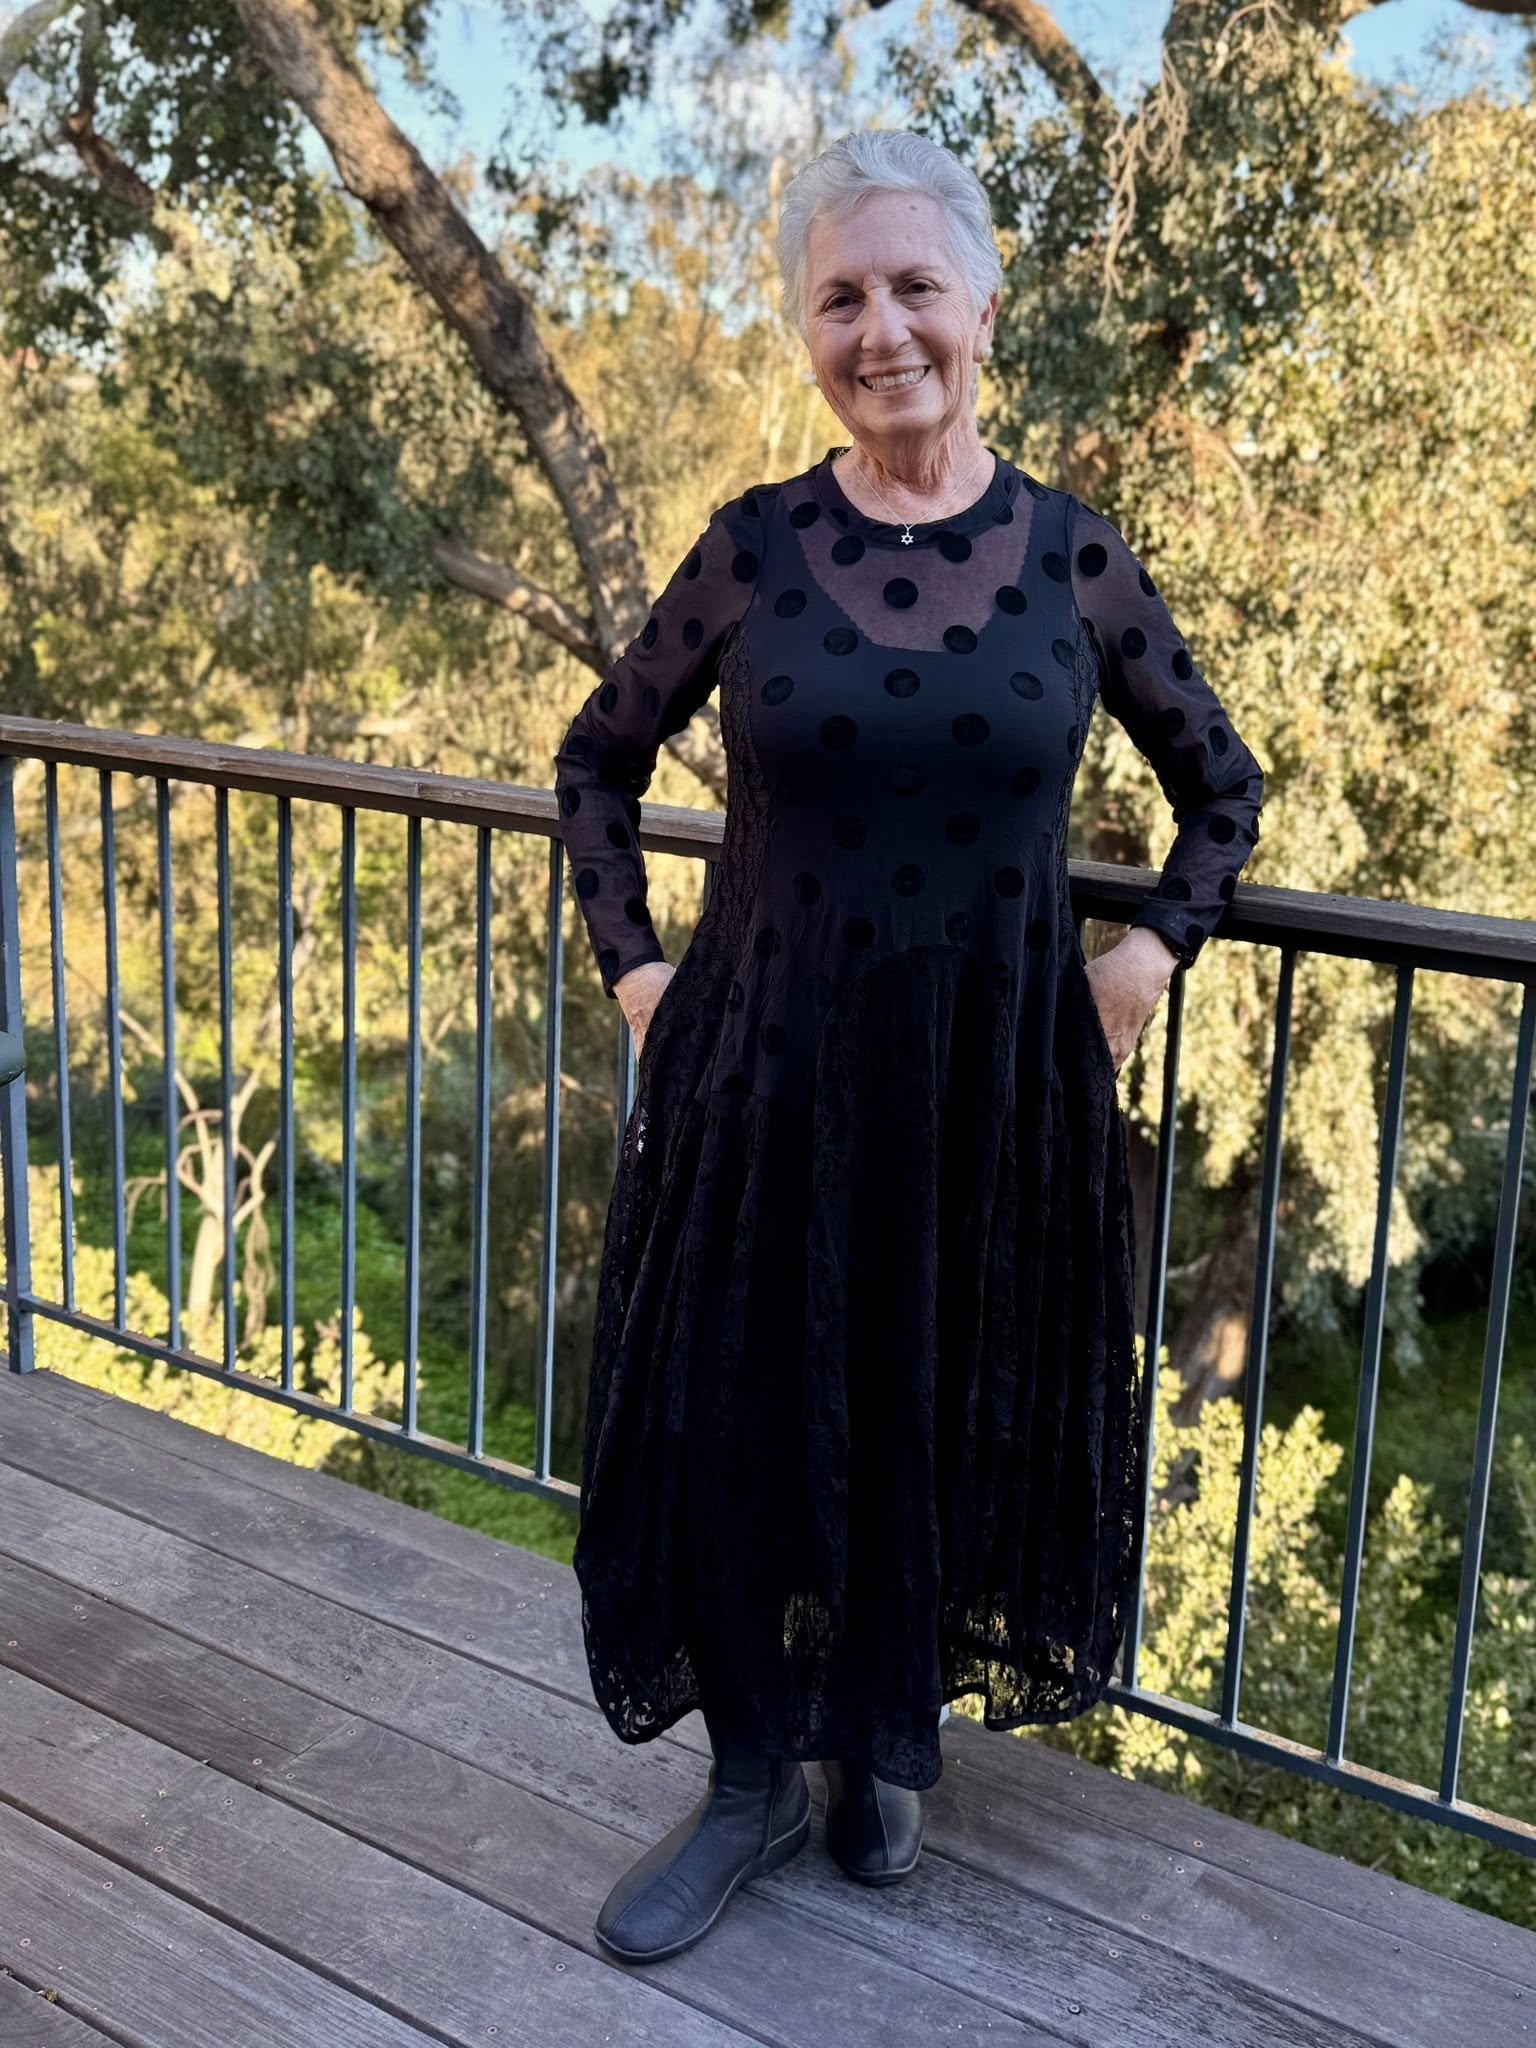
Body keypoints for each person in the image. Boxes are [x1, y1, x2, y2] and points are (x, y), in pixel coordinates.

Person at [553, 128, 1265, 1965]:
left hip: (984, 1100)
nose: (881, 331)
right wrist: (641, 979)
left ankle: (879, 1746)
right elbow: (596, 761)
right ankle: (745, 1785)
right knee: (734, 1420)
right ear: (808, 331)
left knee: (931, 1413)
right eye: (840, 298)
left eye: (914, 288)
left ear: (984, 308)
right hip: (761, 1084)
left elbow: (1224, 793)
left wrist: (1142, 960)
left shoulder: (1073, 556)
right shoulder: (755, 545)